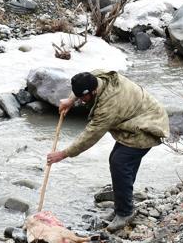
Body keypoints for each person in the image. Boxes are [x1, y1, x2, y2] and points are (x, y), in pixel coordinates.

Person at [46, 70, 169, 232]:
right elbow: (81, 86)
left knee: (120, 162)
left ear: (94, 91)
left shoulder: (108, 105)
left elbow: (91, 135)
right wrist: (70, 100)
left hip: (149, 126)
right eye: (80, 98)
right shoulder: (97, 77)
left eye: (84, 98)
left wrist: (63, 154)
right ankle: (122, 206)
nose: (82, 101)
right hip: (138, 116)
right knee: (121, 162)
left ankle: (125, 212)